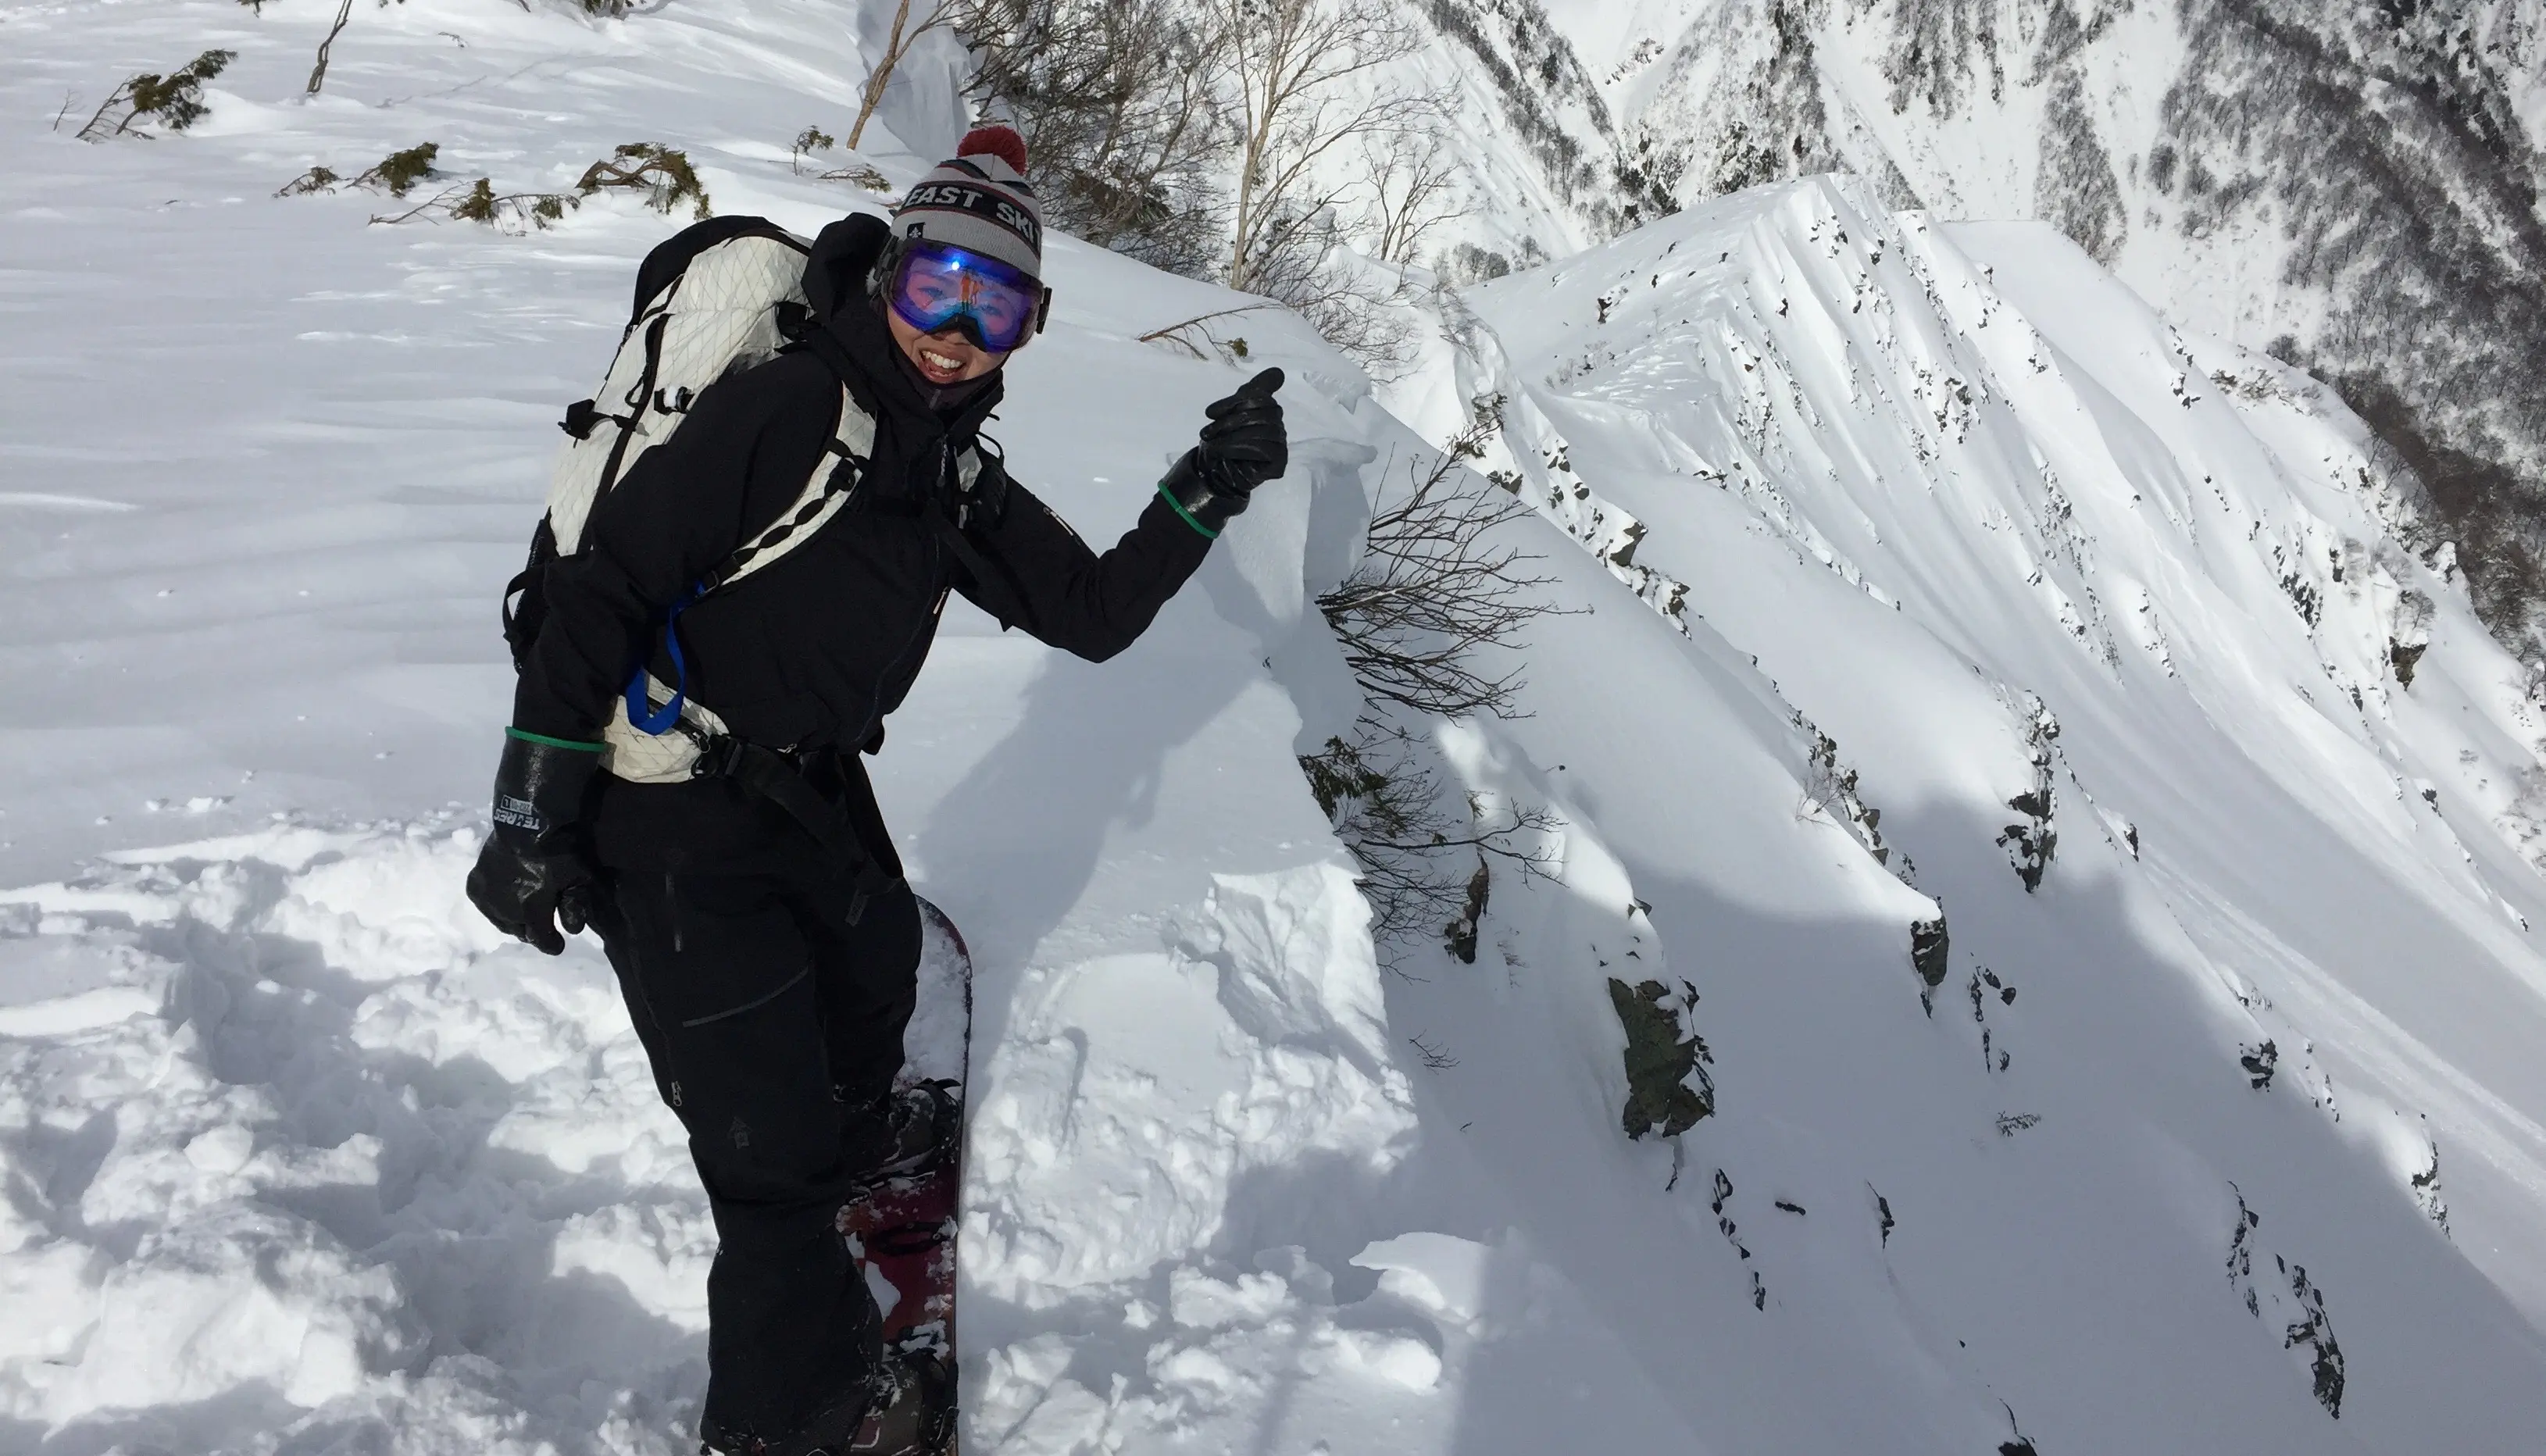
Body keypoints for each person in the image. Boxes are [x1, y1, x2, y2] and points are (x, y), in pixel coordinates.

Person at [463, 126, 1287, 1456]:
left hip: (800, 786)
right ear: (888, 277)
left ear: (1031, 325)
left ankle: (845, 1128)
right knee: (771, 1173)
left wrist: (1206, 487)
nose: (956, 332)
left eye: (995, 303)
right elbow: (605, 586)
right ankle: (803, 1418)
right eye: (933, 289)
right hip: (660, 803)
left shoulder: (945, 461)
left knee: (879, 962)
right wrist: (529, 807)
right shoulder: (792, 407)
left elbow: (1086, 613)